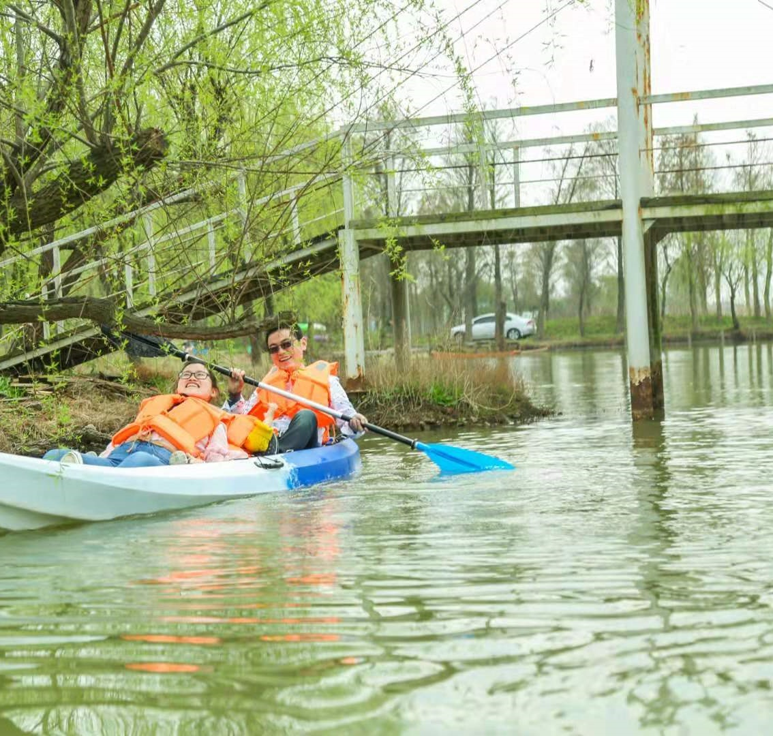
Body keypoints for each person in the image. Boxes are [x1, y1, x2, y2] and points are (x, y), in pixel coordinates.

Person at [44, 359, 274, 467]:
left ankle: (89, 479)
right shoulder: (158, 406)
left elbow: (216, 454)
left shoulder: (216, 417)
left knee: (139, 460)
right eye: (186, 375)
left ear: (213, 391)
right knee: (54, 455)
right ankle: (78, 468)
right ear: (177, 387)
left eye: (200, 375)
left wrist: (196, 464)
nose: (192, 377)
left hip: (161, 459)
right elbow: (120, 442)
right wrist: (103, 457)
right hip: (125, 452)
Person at [226, 319, 368, 453]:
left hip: (308, 448)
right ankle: (272, 450)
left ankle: (277, 451)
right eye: (274, 349)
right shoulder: (265, 385)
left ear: (303, 343)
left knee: (306, 416)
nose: (281, 352)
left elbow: (347, 416)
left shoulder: (328, 381)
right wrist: (235, 395)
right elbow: (241, 420)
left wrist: (354, 421)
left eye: (287, 344)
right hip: (269, 444)